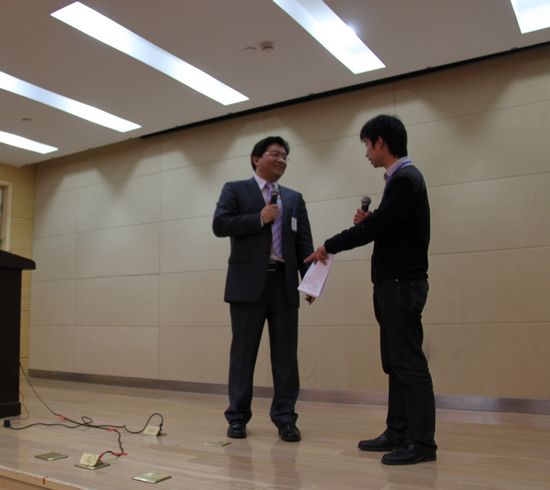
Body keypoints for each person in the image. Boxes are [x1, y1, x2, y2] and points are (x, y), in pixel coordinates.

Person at [305, 115, 437, 465]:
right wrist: (374, 220)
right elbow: (390, 225)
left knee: (409, 364)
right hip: (393, 284)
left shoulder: (406, 179)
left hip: (401, 284)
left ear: (380, 142)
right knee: (396, 363)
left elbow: (375, 230)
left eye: (366, 144)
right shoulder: (401, 180)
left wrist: (329, 245)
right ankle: (398, 432)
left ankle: (422, 443)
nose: (366, 153)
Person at [213, 136, 314, 442]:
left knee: (286, 356)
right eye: (275, 154)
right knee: (243, 354)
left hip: (284, 283)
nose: (281, 160)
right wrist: (258, 218)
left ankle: (285, 418)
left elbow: (304, 243)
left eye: (285, 156)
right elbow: (220, 225)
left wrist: (310, 281)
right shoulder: (235, 189)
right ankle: (237, 418)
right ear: (256, 159)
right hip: (247, 285)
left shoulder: (294, 198)